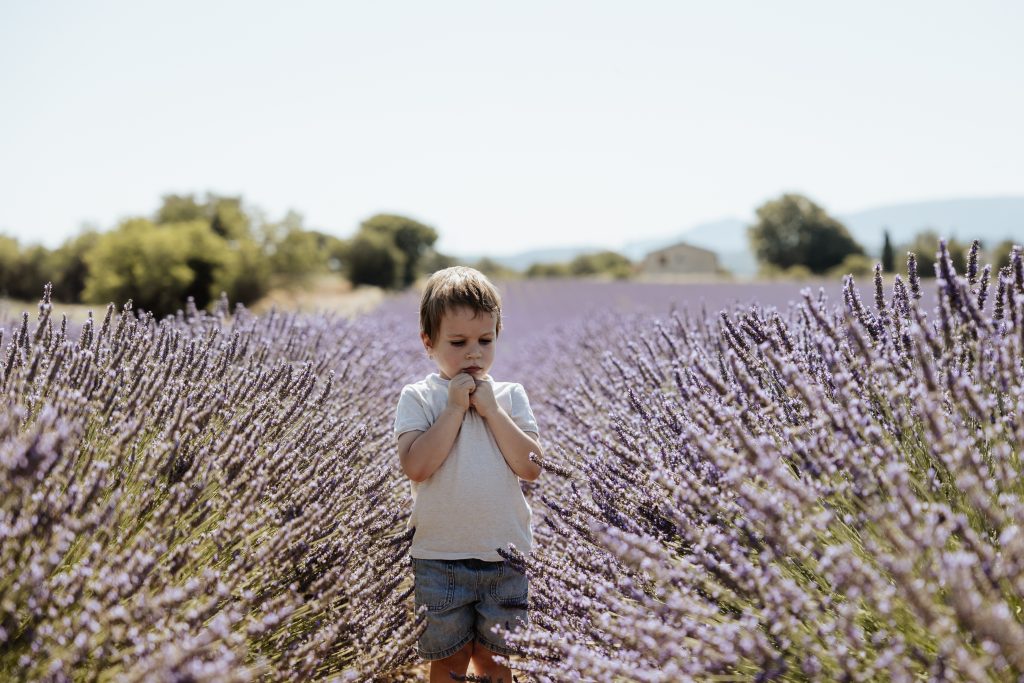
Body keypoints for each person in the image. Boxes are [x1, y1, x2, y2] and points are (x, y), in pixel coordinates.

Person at [394, 266, 542, 683]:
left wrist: (491, 410)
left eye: (485, 340)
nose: (473, 353)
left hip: (505, 557)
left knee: (496, 662)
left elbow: (531, 467)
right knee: (448, 660)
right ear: (428, 343)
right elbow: (417, 465)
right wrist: (455, 409)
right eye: (458, 343)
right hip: (440, 558)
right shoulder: (419, 397)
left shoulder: (510, 396)